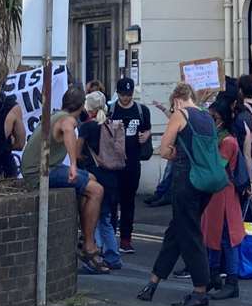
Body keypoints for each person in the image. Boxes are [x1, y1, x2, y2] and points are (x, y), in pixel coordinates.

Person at [138, 82, 218, 306]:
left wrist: (177, 155)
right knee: (176, 231)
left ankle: (200, 292)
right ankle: (153, 282)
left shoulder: (180, 115)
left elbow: (163, 149)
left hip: (186, 181)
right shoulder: (207, 117)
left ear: (177, 101)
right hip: (207, 182)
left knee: (190, 234)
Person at [20, 87, 109, 274]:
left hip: (43, 168)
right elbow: (68, 129)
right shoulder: (67, 119)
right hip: (40, 172)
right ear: (81, 106)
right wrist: (74, 165)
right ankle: (89, 245)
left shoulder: (57, 114)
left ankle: (82, 231)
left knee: (90, 179)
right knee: (97, 190)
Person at [203, 95, 246, 300]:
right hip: (215, 192)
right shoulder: (220, 137)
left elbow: (218, 166)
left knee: (229, 238)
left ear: (219, 118)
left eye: (211, 117)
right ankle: (213, 275)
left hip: (225, 192)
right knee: (212, 235)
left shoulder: (227, 141)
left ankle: (232, 281)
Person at [78, 90, 123, 270]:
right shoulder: (111, 124)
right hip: (112, 175)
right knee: (106, 218)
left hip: (95, 175)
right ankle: (113, 255)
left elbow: (77, 151)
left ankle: (93, 258)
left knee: (93, 219)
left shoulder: (87, 127)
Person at [110, 78, 154, 253]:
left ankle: (126, 239)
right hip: (113, 163)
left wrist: (146, 135)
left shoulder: (142, 111)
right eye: (123, 94)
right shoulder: (111, 109)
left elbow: (147, 128)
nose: (126, 98)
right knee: (112, 201)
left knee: (129, 202)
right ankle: (110, 237)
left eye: (129, 95)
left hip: (133, 162)